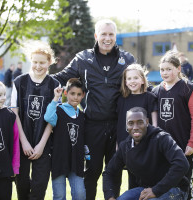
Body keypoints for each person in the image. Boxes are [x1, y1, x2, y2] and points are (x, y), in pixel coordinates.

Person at [52, 19, 135, 200]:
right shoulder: (83, 58)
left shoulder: (127, 60)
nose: (107, 38)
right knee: (92, 172)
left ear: (115, 36)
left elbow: (141, 84)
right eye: (103, 34)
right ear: (96, 36)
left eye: (111, 34)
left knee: (115, 171)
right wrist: (37, 78)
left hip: (118, 127)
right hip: (91, 126)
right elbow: (62, 76)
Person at [102, 107, 190, 200]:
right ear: (127, 125)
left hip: (174, 189)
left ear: (147, 122)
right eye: (131, 123)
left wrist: (155, 190)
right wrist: (110, 196)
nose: (135, 127)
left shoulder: (161, 138)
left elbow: (182, 164)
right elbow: (109, 172)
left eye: (140, 122)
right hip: (145, 189)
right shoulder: (125, 146)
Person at [11, 40, 60, 200]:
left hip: (43, 144)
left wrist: (41, 145)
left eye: (42, 63)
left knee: (39, 188)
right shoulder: (19, 82)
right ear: (30, 61)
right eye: (35, 62)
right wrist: (24, 142)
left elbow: (52, 119)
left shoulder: (54, 84)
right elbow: (15, 114)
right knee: (22, 187)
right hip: (22, 141)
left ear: (49, 63)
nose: (38, 66)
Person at [152, 50, 193, 200]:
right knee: (164, 184)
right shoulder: (156, 91)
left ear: (178, 69)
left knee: (184, 184)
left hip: (183, 146)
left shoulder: (188, 88)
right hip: (163, 147)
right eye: (162, 69)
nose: (165, 72)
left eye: (169, 69)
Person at [44, 78, 86, 200]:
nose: (75, 97)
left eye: (79, 94)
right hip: (59, 159)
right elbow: (48, 117)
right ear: (66, 93)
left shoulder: (82, 116)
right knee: (59, 195)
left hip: (76, 160)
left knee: (80, 194)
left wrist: (87, 154)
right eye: (72, 93)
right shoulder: (59, 110)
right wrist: (55, 98)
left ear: (83, 95)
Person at [117, 63, 158, 144]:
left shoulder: (150, 98)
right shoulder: (121, 100)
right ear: (125, 82)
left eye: (136, 78)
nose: (132, 81)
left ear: (142, 80)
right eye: (129, 78)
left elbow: (155, 125)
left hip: (145, 144)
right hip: (125, 144)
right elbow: (119, 125)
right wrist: (117, 145)